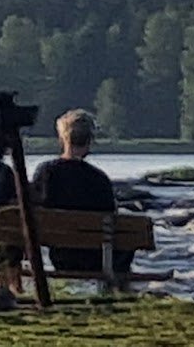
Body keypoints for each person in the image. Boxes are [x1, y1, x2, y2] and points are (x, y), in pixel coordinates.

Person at [32, 109, 132, 277]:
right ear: (89, 141)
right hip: (96, 256)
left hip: (61, 256)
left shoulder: (46, 173)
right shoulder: (99, 179)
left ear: (63, 138)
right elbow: (111, 214)